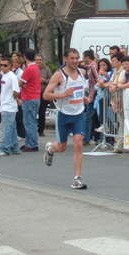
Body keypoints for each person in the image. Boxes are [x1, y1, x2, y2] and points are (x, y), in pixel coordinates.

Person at [43, 48, 88, 190]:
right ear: (65, 59)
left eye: (77, 58)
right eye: (72, 58)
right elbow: (46, 95)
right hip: (63, 115)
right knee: (61, 148)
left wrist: (84, 97)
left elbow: (80, 90)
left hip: (78, 114)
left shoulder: (82, 73)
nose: (75, 61)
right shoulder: (59, 75)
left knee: (78, 143)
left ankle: (77, 178)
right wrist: (63, 95)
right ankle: (51, 149)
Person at [0, 58, 21, 156]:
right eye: (1, 65)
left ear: (9, 66)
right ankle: (14, 147)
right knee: (12, 128)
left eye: (5, 65)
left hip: (9, 106)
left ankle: (5, 148)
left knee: (6, 128)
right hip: (6, 105)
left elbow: (16, 91)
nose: (3, 67)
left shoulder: (11, 76)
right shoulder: (3, 76)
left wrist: (14, 99)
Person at [19, 48, 41, 152]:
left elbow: (20, 83)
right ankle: (28, 142)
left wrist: (23, 84)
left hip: (29, 97)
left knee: (29, 121)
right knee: (30, 120)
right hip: (35, 96)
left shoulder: (29, 69)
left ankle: (32, 143)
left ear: (25, 57)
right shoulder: (35, 67)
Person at [82, 49, 99, 146]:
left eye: (83, 57)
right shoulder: (90, 67)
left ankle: (87, 138)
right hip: (91, 94)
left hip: (94, 94)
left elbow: (97, 78)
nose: (83, 59)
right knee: (90, 117)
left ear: (87, 57)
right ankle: (89, 137)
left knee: (88, 117)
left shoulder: (93, 67)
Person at [35, 54, 52, 137]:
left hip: (43, 93)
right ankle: (33, 129)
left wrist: (44, 80)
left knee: (42, 113)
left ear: (42, 61)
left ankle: (41, 130)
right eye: (37, 60)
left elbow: (51, 80)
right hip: (34, 93)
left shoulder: (46, 69)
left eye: (40, 60)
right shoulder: (32, 68)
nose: (38, 61)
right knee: (33, 113)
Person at [12, 56, 26, 140]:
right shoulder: (13, 72)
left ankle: (22, 133)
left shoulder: (21, 72)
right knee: (16, 115)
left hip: (19, 94)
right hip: (14, 94)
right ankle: (18, 132)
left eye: (15, 62)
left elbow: (20, 84)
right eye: (13, 62)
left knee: (20, 116)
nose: (14, 64)